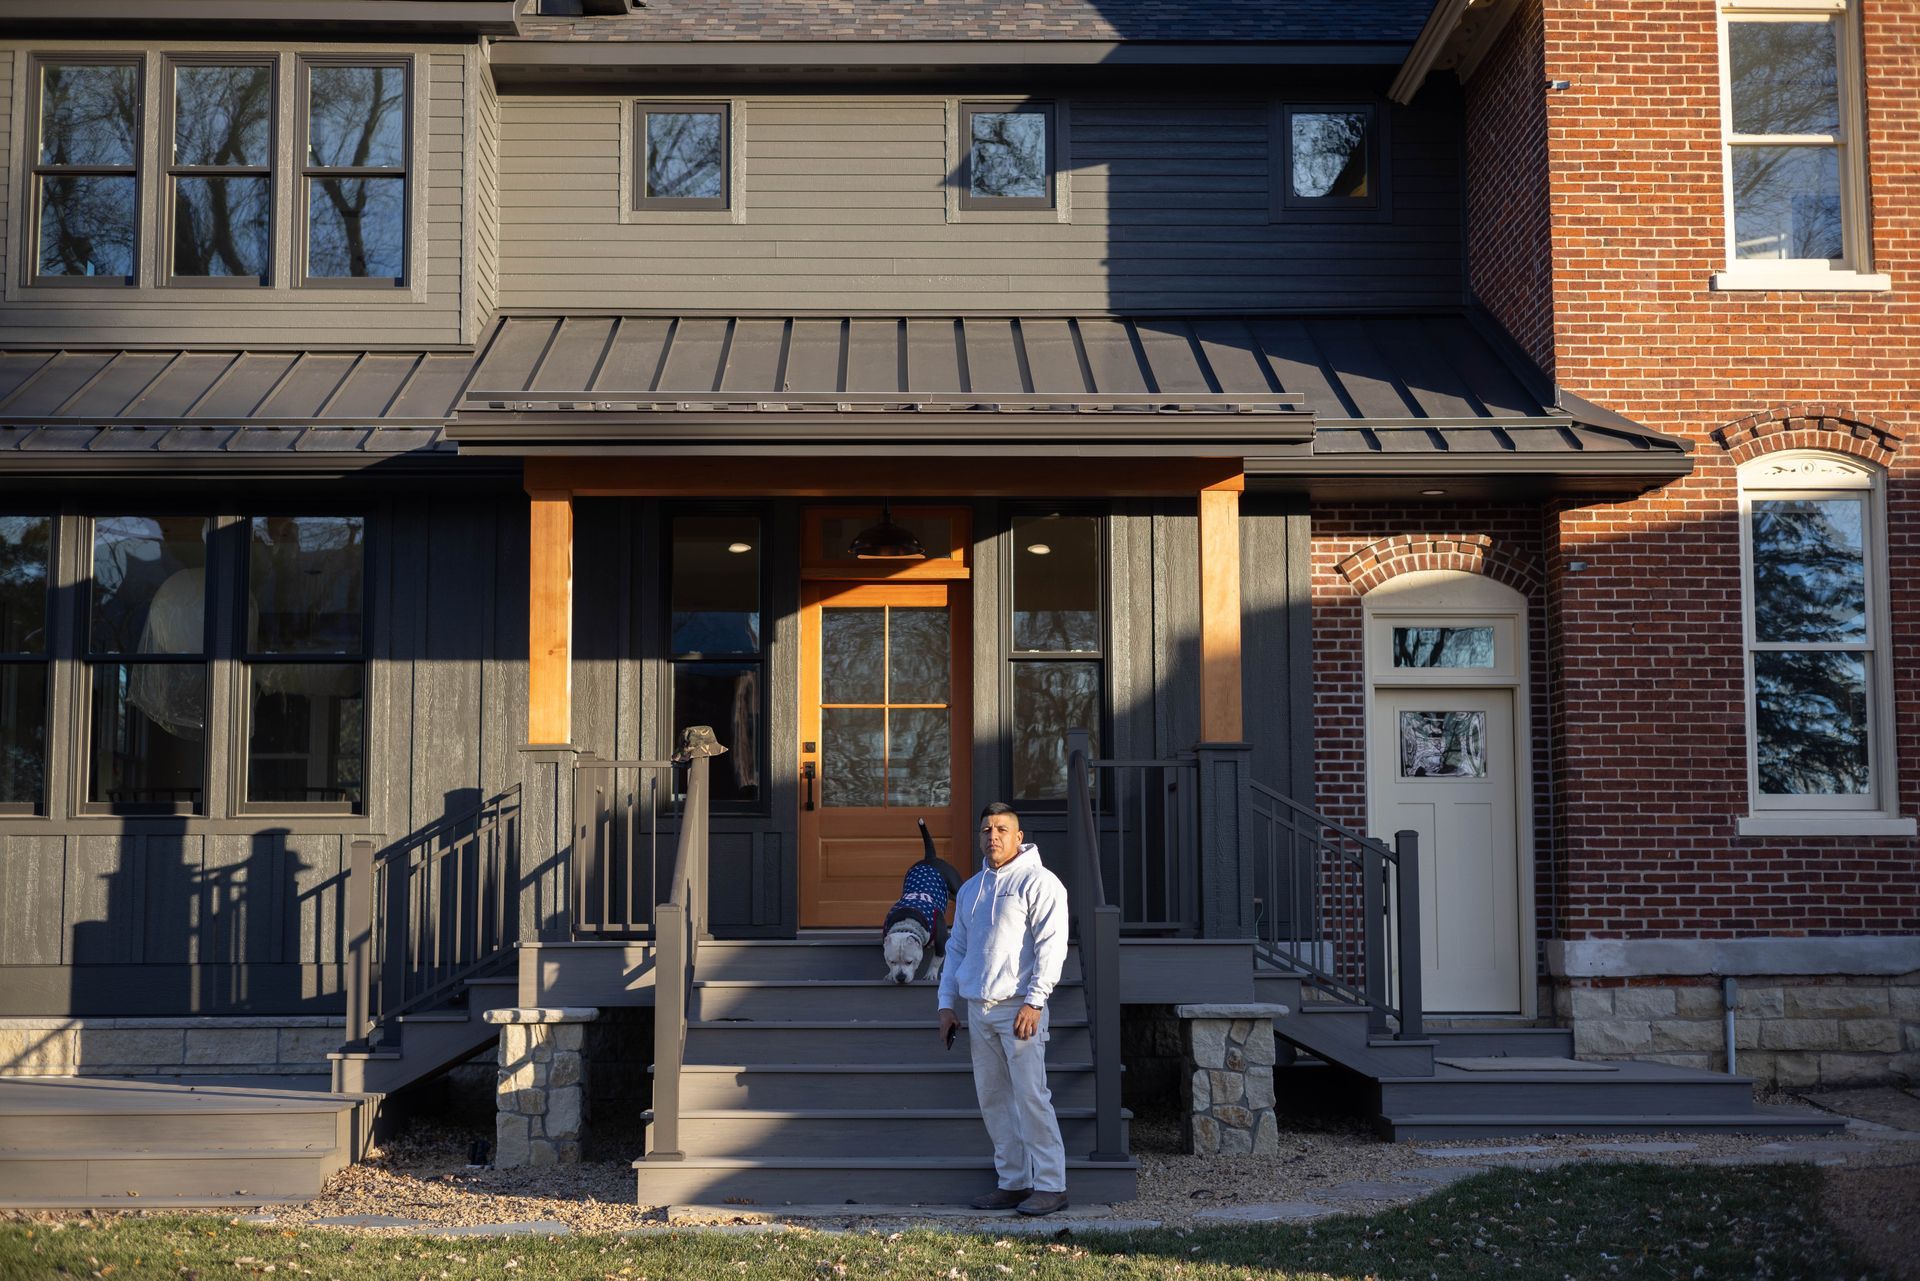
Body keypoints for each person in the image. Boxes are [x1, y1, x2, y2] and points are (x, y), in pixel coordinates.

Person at [937, 801, 1070, 1216]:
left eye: (1001, 829)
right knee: (994, 1098)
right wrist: (946, 1004)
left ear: (1019, 837)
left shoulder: (1041, 882)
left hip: (1019, 1009)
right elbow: (956, 948)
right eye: (986, 830)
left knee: (1031, 1097)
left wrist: (1035, 1001)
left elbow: (1052, 947)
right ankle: (1014, 1182)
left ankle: (1051, 1184)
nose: (992, 836)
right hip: (978, 1007)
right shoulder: (973, 887)